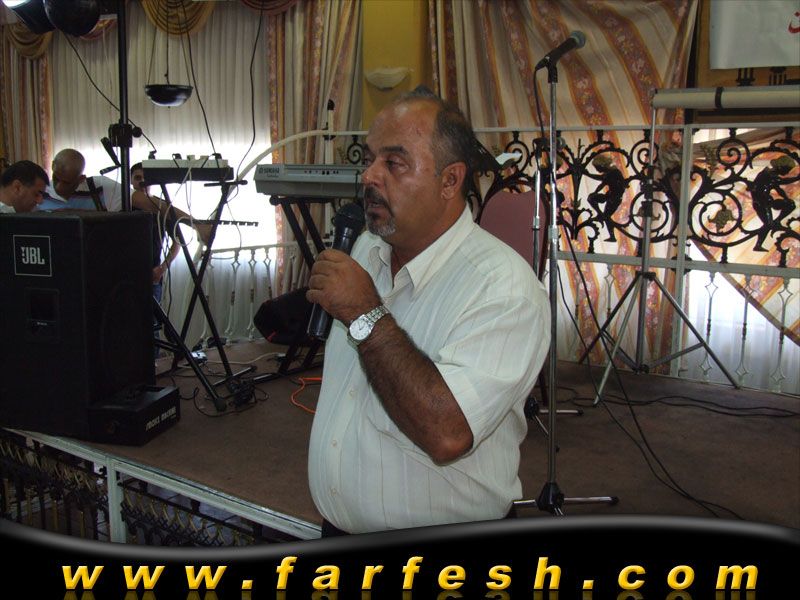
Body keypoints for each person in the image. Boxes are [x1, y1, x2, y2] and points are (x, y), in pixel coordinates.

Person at [305, 88, 550, 535]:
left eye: (394, 162)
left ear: (450, 180)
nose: (369, 175)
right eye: (370, 158)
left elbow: (447, 433)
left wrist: (365, 314)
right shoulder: (366, 248)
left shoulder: (504, 288)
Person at [38, 148, 122, 212]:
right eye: (56, 178)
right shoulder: (39, 194)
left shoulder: (102, 187)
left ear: (81, 179)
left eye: (66, 183)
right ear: (52, 167)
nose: (58, 187)